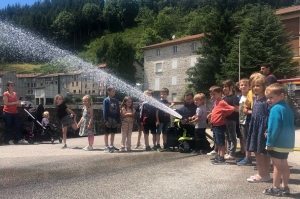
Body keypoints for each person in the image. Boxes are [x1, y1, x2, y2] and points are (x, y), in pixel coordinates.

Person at [263, 83, 294, 196]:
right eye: (267, 98)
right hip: (287, 143)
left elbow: (274, 127)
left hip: (277, 142)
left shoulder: (275, 109)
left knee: (276, 166)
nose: (268, 100)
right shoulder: (287, 108)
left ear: (281, 96)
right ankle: (284, 187)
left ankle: (275, 188)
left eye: (271, 97)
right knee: (284, 165)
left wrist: (269, 142)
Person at [246, 75, 271, 182]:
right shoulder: (255, 98)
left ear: (264, 86)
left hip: (263, 128)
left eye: (258, 85)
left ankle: (263, 175)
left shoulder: (267, 100)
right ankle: (262, 174)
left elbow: (270, 115)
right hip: (255, 127)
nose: (255, 87)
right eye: (254, 86)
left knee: (262, 152)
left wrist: (268, 129)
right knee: (257, 151)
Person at [237, 73, 263, 166]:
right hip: (247, 120)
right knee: (247, 139)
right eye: (252, 81)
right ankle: (248, 158)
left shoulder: (262, 93)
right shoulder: (248, 94)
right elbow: (245, 108)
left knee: (257, 140)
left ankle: (260, 162)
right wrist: (251, 112)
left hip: (258, 120)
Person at [208, 85, 237, 165]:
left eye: (214, 94)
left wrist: (224, 115)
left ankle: (221, 157)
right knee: (217, 142)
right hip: (215, 125)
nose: (212, 96)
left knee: (221, 142)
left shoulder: (222, 102)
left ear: (220, 93)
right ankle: (219, 155)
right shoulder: (216, 102)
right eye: (211, 94)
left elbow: (232, 108)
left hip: (219, 125)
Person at [222, 80, 240, 160]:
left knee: (232, 137)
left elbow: (236, 109)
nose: (224, 88)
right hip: (225, 120)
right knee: (227, 137)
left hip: (232, 120)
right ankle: (229, 152)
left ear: (231, 87)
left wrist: (226, 110)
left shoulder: (234, 97)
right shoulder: (224, 98)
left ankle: (232, 154)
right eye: (223, 87)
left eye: (226, 86)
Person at [103, 86, 121, 153]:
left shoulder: (116, 100)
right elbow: (104, 111)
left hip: (115, 119)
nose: (114, 93)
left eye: (114, 91)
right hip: (108, 118)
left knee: (113, 133)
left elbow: (118, 111)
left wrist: (118, 120)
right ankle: (106, 146)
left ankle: (111, 145)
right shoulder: (106, 100)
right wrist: (105, 120)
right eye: (113, 91)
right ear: (109, 92)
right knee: (106, 133)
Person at [156, 88, 174, 152]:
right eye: (161, 94)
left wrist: (171, 105)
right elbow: (157, 111)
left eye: (164, 94)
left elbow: (168, 110)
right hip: (160, 120)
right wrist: (157, 120)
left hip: (166, 120)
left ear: (167, 95)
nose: (162, 95)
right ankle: (158, 145)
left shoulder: (167, 102)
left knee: (165, 133)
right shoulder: (159, 102)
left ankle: (165, 145)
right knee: (158, 133)